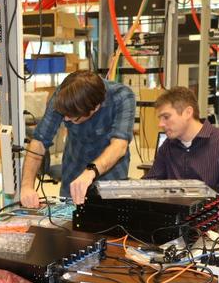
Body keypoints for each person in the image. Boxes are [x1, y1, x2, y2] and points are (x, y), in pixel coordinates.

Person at [20, 70, 136, 207]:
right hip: (73, 170)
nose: (66, 119)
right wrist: (26, 186)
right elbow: (39, 141)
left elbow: (119, 146)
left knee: (107, 221)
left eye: (72, 118)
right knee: (68, 221)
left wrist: (90, 171)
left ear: (95, 107)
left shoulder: (122, 97)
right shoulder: (64, 96)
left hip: (111, 174)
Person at [144, 86, 219, 190]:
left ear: (188, 113)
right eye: (160, 119)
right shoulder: (168, 145)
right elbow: (150, 183)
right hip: (175, 205)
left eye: (166, 117)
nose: (160, 124)